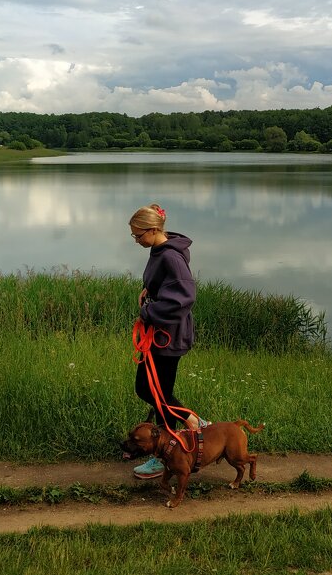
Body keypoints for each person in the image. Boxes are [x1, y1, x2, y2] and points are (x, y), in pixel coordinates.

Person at [128, 203, 205, 479]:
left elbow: (184, 297)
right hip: (160, 335)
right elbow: (166, 284)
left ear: (152, 230)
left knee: (155, 393)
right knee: (153, 392)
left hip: (168, 337)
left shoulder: (171, 257)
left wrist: (148, 311)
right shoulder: (160, 249)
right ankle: (179, 435)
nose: (136, 241)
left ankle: (186, 429)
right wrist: (150, 288)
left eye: (138, 235)